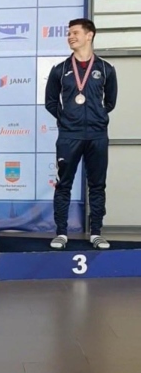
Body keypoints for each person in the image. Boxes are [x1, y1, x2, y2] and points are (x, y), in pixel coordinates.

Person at [45, 18, 117, 250]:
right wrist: (67, 119)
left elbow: (110, 101)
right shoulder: (60, 69)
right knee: (63, 185)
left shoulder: (106, 69)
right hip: (69, 135)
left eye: (75, 32)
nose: (70, 37)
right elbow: (50, 101)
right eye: (69, 33)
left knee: (97, 185)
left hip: (97, 135)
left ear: (89, 35)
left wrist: (97, 116)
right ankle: (61, 233)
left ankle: (96, 233)